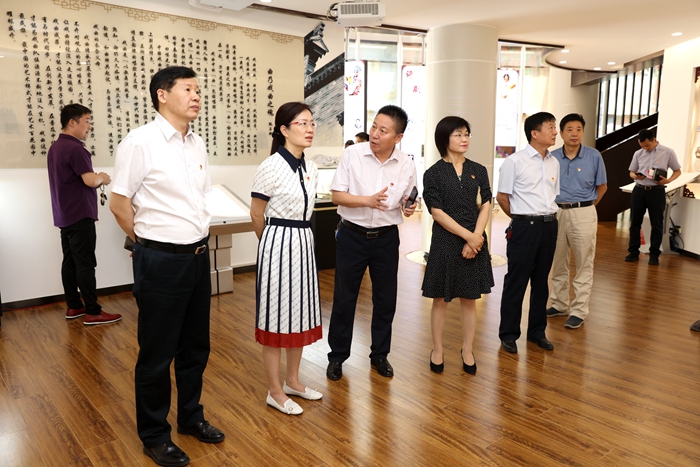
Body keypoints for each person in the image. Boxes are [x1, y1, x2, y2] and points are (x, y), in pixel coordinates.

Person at [110, 66, 224, 467]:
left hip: (197, 257)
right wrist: (147, 244)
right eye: (188, 89)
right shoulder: (140, 142)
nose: (196, 96)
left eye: (198, 90)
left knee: (195, 348)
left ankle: (191, 417)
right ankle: (155, 435)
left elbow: (201, 197)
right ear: (162, 94)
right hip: (160, 261)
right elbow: (119, 203)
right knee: (157, 354)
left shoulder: (196, 143)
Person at [326, 105, 418, 380]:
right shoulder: (353, 154)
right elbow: (336, 196)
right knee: (344, 299)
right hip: (352, 235)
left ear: (398, 137)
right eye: (374, 126)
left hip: (386, 239)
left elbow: (408, 198)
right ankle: (337, 357)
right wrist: (367, 200)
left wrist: (409, 206)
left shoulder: (406, 163)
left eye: (383, 130)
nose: (375, 134)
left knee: (385, 300)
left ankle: (380, 355)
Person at [250, 102, 323, 416]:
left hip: (304, 242)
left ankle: (293, 381)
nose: (309, 129)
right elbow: (256, 214)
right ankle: (275, 391)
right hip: (278, 243)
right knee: (276, 317)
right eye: (302, 123)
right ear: (283, 130)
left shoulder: (311, 167)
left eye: (311, 123)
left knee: (300, 314)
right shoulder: (271, 166)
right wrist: (271, 247)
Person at [421, 116, 494, 375]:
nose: (464, 139)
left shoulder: (478, 169)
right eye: (458, 134)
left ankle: (468, 349)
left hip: (474, 241)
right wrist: (469, 237)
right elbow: (437, 212)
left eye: (466, 134)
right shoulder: (433, 173)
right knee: (440, 299)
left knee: (469, 299)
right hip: (445, 241)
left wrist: (476, 237)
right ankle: (437, 349)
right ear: (444, 138)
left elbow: (486, 203)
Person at [47, 103, 122, 325]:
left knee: (70, 262)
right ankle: (93, 311)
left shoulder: (55, 148)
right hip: (80, 214)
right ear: (72, 122)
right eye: (87, 121)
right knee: (86, 264)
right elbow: (90, 180)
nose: (89, 126)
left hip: (64, 214)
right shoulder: (75, 149)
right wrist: (102, 177)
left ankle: (74, 306)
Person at [496, 112, 560, 354]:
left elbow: (553, 195)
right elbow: (502, 197)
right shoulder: (515, 162)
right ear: (534, 133)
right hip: (525, 228)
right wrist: (521, 219)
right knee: (517, 281)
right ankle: (509, 334)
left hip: (549, 225)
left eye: (554, 127)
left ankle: (537, 332)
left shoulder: (554, 162)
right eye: (550, 127)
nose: (555, 132)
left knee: (541, 282)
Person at [546, 114, 607, 329]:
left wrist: (586, 207)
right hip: (556, 212)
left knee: (584, 262)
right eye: (570, 129)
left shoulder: (594, 156)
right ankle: (559, 304)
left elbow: (602, 187)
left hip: (584, 212)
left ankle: (579, 310)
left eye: (579, 129)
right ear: (561, 133)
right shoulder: (551, 157)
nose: (574, 133)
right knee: (558, 261)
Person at [625, 129, 682, 265]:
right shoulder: (638, 153)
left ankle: (654, 254)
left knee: (657, 224)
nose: (645, 148)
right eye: (642, 146)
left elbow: (677, 171)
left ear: (654, 140)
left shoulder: (668, 152)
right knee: (635, 222)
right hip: (639, 190)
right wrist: (636, 176)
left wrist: (668, 181)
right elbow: (631, 172)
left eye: (647, 145)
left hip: (657, 191)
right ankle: (633, 252)